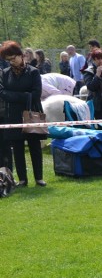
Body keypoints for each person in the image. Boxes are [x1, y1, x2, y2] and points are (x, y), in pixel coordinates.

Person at [0, 41, 46, 187]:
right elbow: (2, 93)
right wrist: (24, 95)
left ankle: (39, 178)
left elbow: (36, 94)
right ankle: (22, 180)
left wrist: (15, 95)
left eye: (13, 58)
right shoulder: (5, 73)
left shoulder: (33, 72)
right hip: (12, 115)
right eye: (8, 60)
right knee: (18, 148)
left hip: (32, 113)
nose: (11, 62)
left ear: (21, 55)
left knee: (35, 147)